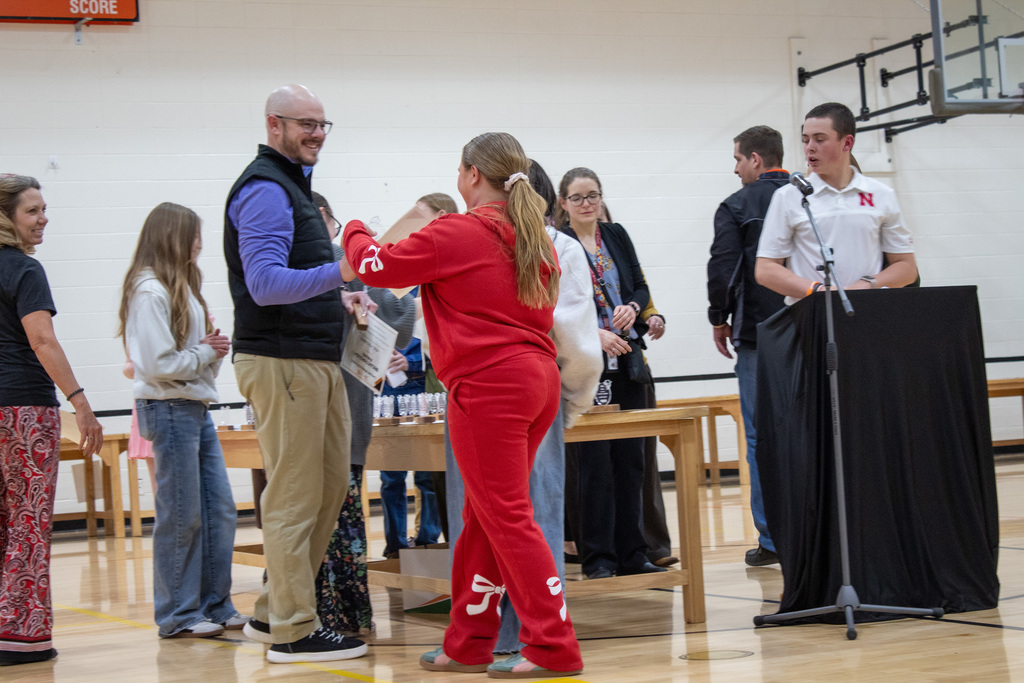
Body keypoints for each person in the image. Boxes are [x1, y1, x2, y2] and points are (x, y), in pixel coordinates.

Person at [344, 132, 584, 678]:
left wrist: (353, 230)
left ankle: (554, 647)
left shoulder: (459, 231)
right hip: (535, 380)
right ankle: (469, 642)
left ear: (472, 173)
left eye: (459, 172)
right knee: (482, 516)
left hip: (491, 386)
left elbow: (377, 267)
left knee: (506, 515)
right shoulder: (532, 236)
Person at [224, 83, 373, 664]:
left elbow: (292, 281)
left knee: (331, 486)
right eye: (303, 123)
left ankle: (270, 611)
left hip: (314, 360)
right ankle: (292, 627)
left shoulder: (291, 187)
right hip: (282, 362)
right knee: (295, 496)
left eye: (321, 124)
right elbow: (264, 285)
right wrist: (341, 271)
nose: (315, 133)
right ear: (274, 125)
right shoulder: (265, 189)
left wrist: (338, 298)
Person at [444, 158, 603, 656]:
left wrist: (570, 405)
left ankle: (524, 639)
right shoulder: (493, 241)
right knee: (498, 518)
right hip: (511, 392)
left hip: (500, 394)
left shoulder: (552, 247)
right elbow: (578, 344)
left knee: (509, 516)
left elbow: (575, 341)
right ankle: (484, 638)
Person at [119, 202, 245, 639]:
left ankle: (215, 603)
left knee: (219, 509)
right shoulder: (149, 289)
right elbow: (156, 363)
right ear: (172, 235)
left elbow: (191, 357)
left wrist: (210, 352)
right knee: (182, 515)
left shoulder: (184, 286)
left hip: (193, 406)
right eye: (193, 234)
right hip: (168, 408)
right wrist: (206, 352)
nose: (199, 243)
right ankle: (178, 614)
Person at [0, 174, 103, 666]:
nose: (43, 219)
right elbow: (42, 341)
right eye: (32, 211)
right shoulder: (24, 269)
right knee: (27, 521)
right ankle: (20, 634)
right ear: (6, 218)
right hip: (23, 408)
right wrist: (80, 401)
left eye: (44, 209)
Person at [310, 190, 416, 636]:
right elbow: (400, 314)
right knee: (341, 512)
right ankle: (347, 614)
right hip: (342, 410)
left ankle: (319, 613)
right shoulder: (336, 258)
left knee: (317, 515)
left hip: (322, 407)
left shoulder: (304, 263)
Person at [557, 167, 665, 580]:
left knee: (631, 460)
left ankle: (633, 551)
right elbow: (557, 305)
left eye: (593, 195)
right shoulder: (560, 244)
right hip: (589, 361)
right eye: (579, 197)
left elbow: (638, 285)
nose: (588, 204)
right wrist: (593, 332)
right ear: (564, 204)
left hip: (627, 360)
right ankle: (598, 556)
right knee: (594, 464)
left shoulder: (615, 235)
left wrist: (635, 310)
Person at [707, 125, 789, 567]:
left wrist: (718, 317)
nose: (736, 167)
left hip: (758, 333)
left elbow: (724, 268)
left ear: (756, 160)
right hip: (811, 331)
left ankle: (773, 539)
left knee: (759, 437)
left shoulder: (737, 205)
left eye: (738, 159)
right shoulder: (810, 196)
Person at [755, 102, 918, 301]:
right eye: (805, 140)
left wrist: (868, 283)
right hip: (811, 316)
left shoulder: (881, 194)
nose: (810, 148)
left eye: (820, 139)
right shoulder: (788, 196)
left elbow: (907, 268)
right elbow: (765, 270)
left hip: (867, 313)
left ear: (847, 143)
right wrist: (816, 290)